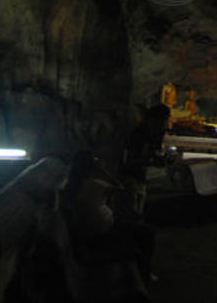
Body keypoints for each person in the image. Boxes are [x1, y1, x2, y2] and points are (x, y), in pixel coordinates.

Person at [62, 151, 157, 283]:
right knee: (147, 232)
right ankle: (145, 274)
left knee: (135, 226)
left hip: (93, 231)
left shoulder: (70, 185)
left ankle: (143, 272)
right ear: (91, 166)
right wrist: (103, 170)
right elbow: (119, 186)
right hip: (102, 232)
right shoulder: (94, 184)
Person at [119, 104, 170, 218]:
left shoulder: (156, 135)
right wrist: (152, 162)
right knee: (130, 213)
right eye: (162, 121)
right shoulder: (138, 136)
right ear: (152, 120)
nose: (164, 125)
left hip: (142, 179)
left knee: (138, 212)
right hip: (130, 179)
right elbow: (130, 161)